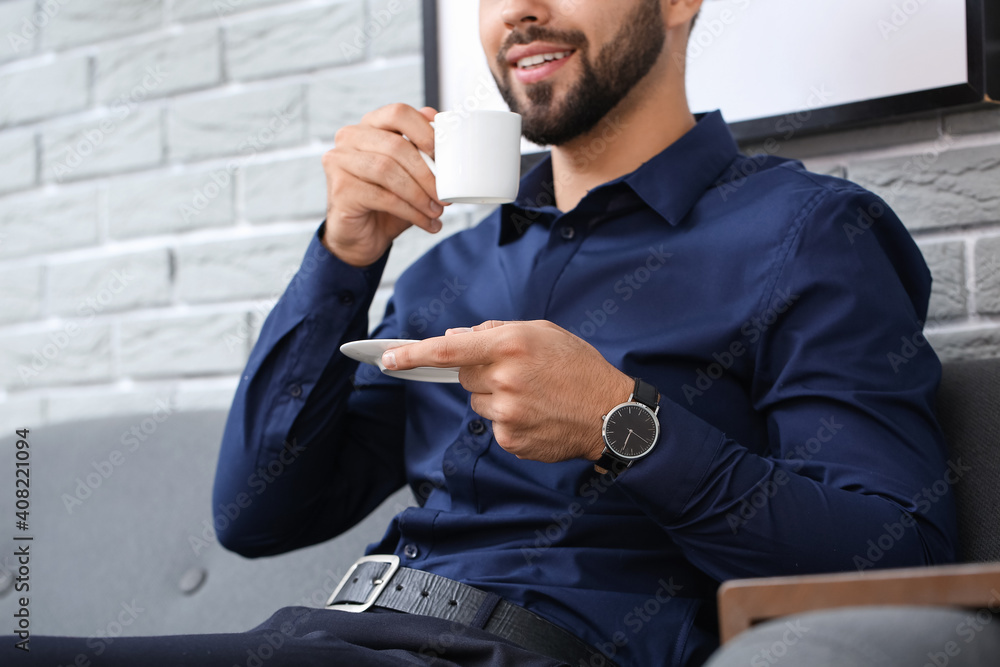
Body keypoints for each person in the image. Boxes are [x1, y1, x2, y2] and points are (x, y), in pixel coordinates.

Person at [7, 0, 956, 665]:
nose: (519, 9)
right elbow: (256, 515)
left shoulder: (808, 235)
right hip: (328, 631)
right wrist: (343, 256)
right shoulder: (447, 272)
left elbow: (903, 561)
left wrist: (622, 424)